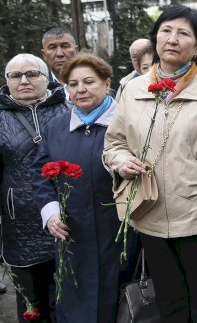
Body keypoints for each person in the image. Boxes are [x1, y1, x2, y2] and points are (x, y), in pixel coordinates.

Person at [103, 5, 197, 323]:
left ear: (196, 47)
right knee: (170, 306)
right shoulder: (133, 89)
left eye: (183, 33)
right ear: (155, 39)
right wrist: (123, 161)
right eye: (166, 30)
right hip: (150, 215)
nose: (172, 39)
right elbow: (114, 143)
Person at [31, 54, 137, 322]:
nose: (80, 89)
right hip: (72, 236)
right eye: (73, 84)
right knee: (74, 304)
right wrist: (51, 212)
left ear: (107, 83)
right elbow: (40, 174)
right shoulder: (56, 127)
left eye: (89, 82)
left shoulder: (128, 124)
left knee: (118, 302)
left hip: (120, 235)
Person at [0, 54, 69, 322]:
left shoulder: (69, 109)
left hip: (66, 220)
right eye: (15, 76)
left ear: (46, 78)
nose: (24, 80)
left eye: (32, 74)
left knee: (65, 298)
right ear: (7, 81)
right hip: (20, 224)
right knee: (31, 305)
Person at [40, 28, 79, 98]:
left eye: (65, 46)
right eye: (52, 47)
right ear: (44, 54)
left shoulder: (92, 82)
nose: (59, 54)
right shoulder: (38, 87)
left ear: (76, 51)